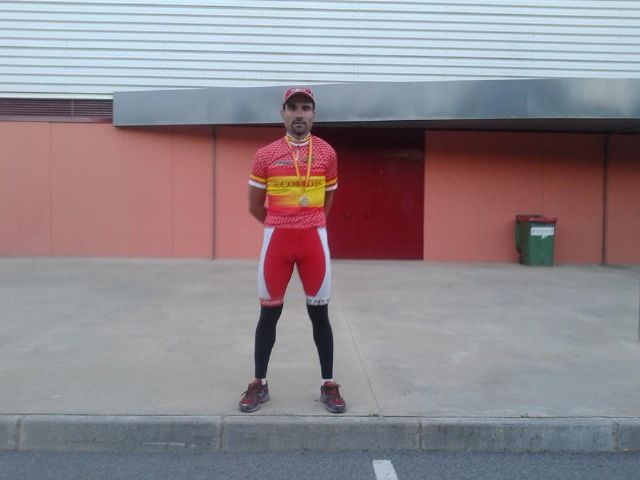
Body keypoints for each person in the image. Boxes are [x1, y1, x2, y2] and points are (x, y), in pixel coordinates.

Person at [239, 87, 346, 414]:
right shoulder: (265, 155)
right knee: (268, 314)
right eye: (293, 107)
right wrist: (281, 223)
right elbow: (255, 205)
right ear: (282, 113)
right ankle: (259, 383)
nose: (299, 114)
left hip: (314, 240)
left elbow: (328, 200)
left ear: (313, 114)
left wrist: (309, 222)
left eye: (305, 108)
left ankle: (328, 384)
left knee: (320, 315)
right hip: (278, 241)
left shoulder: (327, 153)